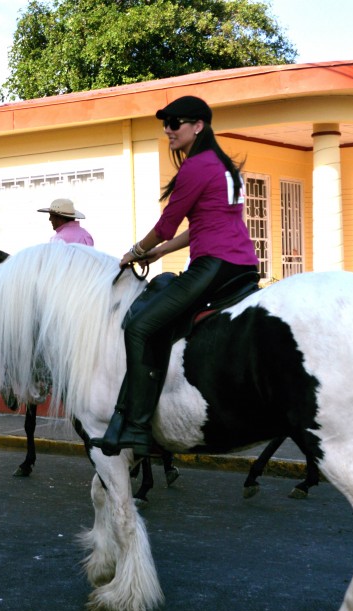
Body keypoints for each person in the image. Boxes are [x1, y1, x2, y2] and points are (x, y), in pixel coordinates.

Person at [89, 95, 259, 456]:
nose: (168, 130)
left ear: (198, 126)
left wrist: (134, 252)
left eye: (175, 123)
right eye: (165, 124)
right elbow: (202, 224)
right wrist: (160, 253)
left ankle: (136, 426)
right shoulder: (223, 165)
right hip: (240, 264)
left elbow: (166, 226)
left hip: (213, 265)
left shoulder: (197, 166)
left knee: (139, 327)